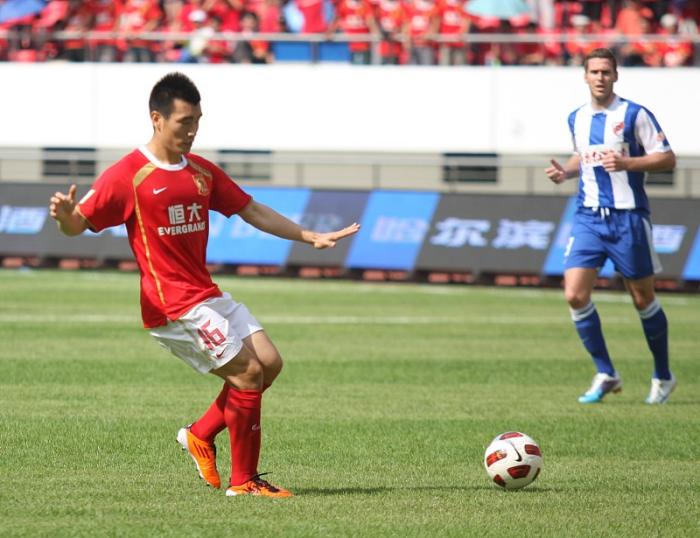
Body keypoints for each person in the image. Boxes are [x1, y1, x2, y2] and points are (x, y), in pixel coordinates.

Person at [49, 72, 360, 496]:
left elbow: (251, 209)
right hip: (171, 305)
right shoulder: (128, 175)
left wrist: (308, 236)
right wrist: (66, 216)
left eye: (197, 120)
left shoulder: (200, 171)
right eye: (184, 122)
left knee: (269, 364)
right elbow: (78, 225)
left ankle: (200, 434)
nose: (192, 130)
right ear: (157, 119)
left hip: (206, 294)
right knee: (248, 374)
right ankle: (244, 481)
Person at [545, 48, 677, 405]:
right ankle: (606, 373)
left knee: (643, 298)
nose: (600, 78)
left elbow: (667, 158)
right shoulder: (576, 118)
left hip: (628, 218)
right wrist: (565, 172)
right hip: (588, 217)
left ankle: (663, 375)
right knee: (574, 294)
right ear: (585, 77)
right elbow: (583, 155)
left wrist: (629, 163)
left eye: (606, 72)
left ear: (615, 76)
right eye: (594, 72)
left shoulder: (634, 114)